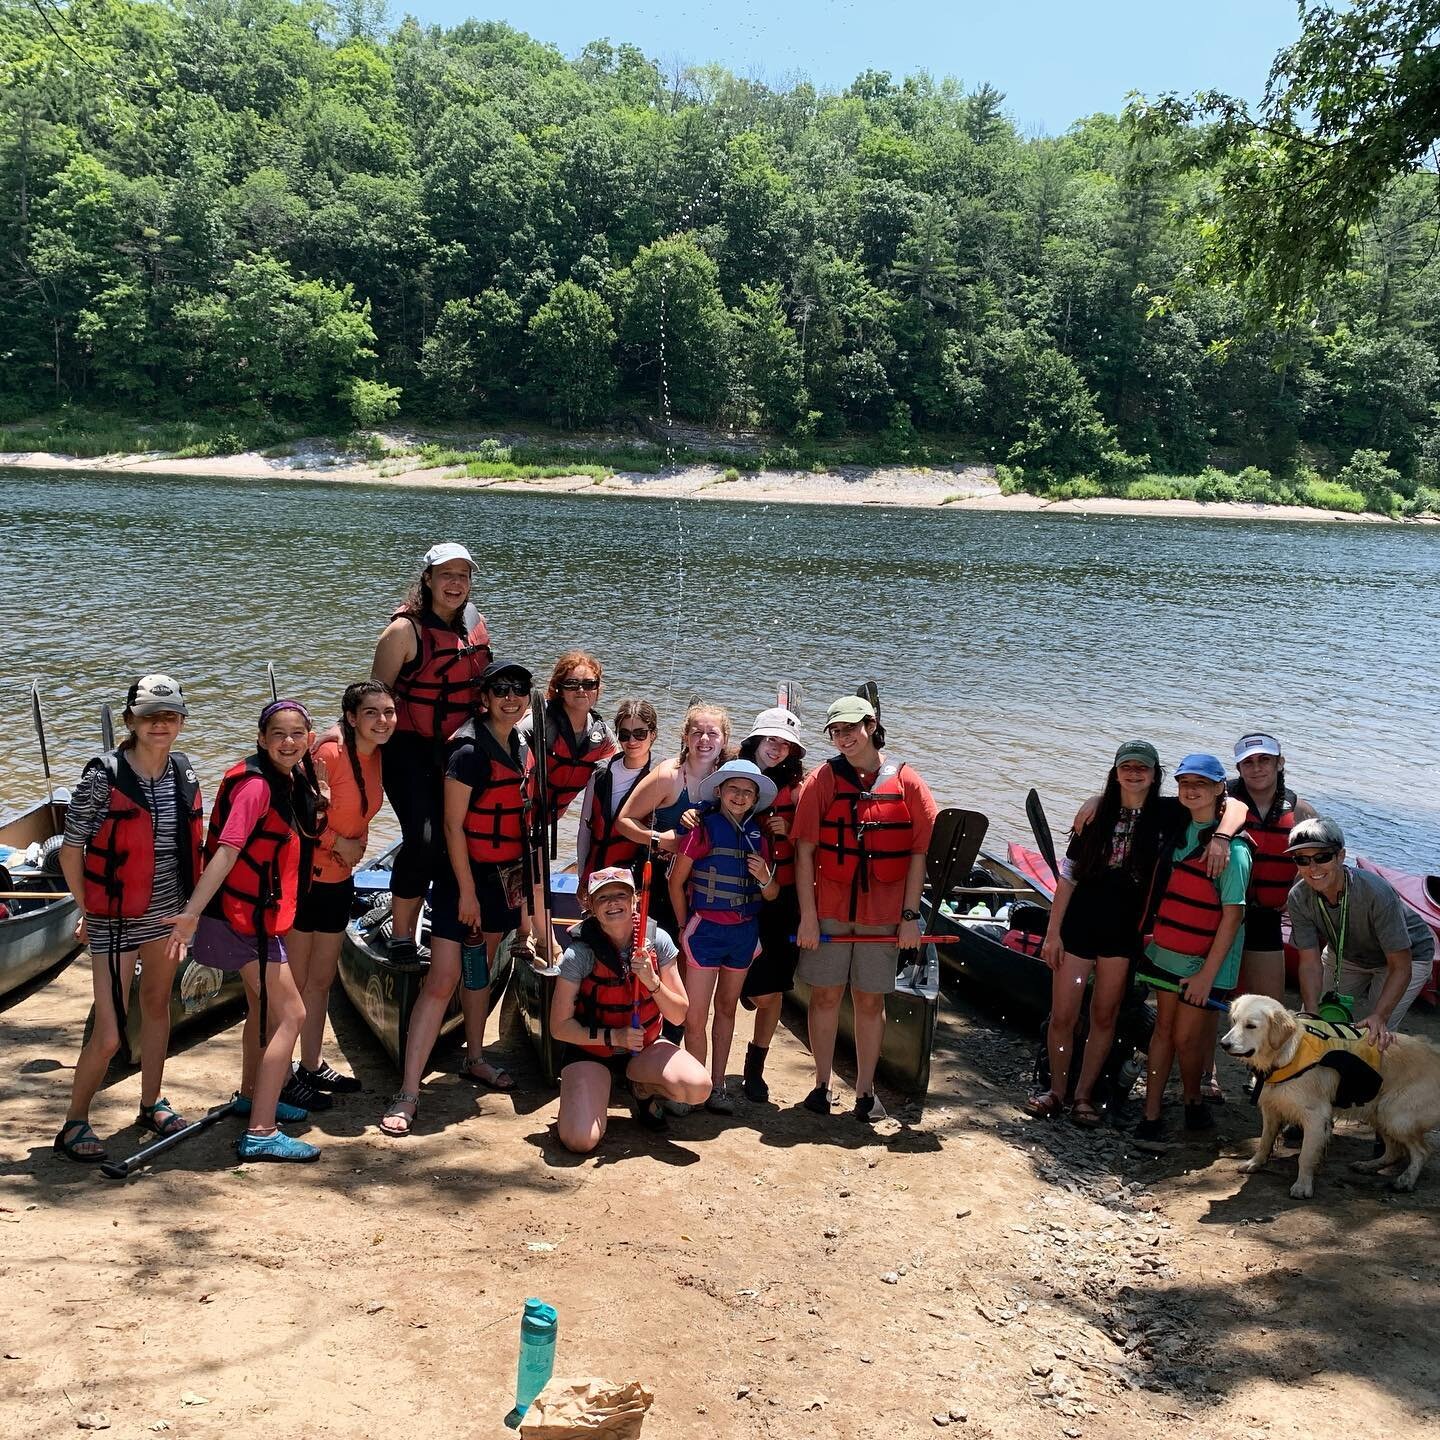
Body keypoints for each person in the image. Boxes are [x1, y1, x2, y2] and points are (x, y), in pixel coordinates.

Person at [165, 700, 325, 1163]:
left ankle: (251, 1094)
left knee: (261, 1008)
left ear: (309, 739)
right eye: (278, 734)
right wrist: (192, 912)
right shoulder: (256, 787)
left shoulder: (289, 777)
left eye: (298, 734)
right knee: (292, 1015)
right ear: (261, 739)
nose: (289, 742)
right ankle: (261, 1129)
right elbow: (226, 853)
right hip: (242, 919)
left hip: (250, 915)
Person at [53, 676, 203, 1163]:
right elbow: (70, 850)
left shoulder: (183, 771)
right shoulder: (105, 775)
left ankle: (150, 1102)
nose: (161, 724)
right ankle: (75, 1121)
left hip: (166, 918)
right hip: (113, 921)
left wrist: (190, 915)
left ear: (181, 721)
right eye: (149, 716)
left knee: (158, 1008)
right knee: (112, 1032)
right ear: (130, 721)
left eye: (170, 715)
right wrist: (87, 908)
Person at [379, 660, 530, 1137]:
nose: (511, 697)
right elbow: (451, 825)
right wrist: (466, 891)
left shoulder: (522, 743)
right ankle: (407, 1092)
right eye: (500, 689)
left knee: (480, 969)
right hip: (463, 878)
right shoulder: (466, 750)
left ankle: (475, 1058)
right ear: (483, 697)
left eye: (519, 689)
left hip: (504, 876)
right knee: (442, 980)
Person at [793, 694, 937, 1122]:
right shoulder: (822, 779)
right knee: (824, 997)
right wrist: (808, 915)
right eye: (836, 731)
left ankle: (864, 1091)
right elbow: (804, 852)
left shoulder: (907, 780)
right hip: (831, 908)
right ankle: (821, 1084)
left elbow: (919, 853)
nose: (843, 737)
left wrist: (911, 917)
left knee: (871, 1003)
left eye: (851, 728)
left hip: (885, 913)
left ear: (871, 725)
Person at [1028, 740, 1168, 1127]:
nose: (1135, 773)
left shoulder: (1166, 817)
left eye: (1143, 767)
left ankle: (1084, 1095)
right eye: (1127, 767)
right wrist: (1052, 933)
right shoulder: (1096, 815)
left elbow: (1217, 806)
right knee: (1063, 1016)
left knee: (1104, 1016)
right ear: (1116, 771)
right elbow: (1069, 877)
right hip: (1079, 927)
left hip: (1122, 934)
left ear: (1155, 775)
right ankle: (1055, 1091)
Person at [371, 543, 491, 961]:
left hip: (458, 751)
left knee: (456, 840)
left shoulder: (474, 623)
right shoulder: (403, 632)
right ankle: (402, 935)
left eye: (463, 575)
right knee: (422, 839)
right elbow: (374, 705)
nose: (455, 583)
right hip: (408, 750)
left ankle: (448, 927)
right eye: (446, 575)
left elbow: (488, 693)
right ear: (427, 579)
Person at [283, 681, 397, 1110]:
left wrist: (356, 843)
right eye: (371, 713)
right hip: (309, 877)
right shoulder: (329, 753)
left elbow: (361, 810)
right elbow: (299, 810)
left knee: (321, 979)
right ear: (352, 717)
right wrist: (337, 842)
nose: (382, 720)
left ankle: (310, 1065)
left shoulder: (376, 755)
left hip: (339, 878)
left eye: (388, 712)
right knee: (295, 981)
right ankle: (285, 1071)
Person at [1134, 753, 1253, 1142]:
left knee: (1187, 1039)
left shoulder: (1233, 851)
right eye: (1185, 782)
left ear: (1221, 788)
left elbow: (1232, 918)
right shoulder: (1177, 826)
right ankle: (1151, 1114)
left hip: (1203, 962)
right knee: (1163, 1032)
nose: (1190, 789)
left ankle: (1192, 1101)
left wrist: (1207, 976)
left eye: (1201, 783)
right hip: (1167, 952)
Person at [550, 867, 711, 1152]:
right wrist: (614, 1037)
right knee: (579, 1141)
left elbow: (679, 1015)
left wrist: (653, 982)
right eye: (603, 898)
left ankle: (642, 1088)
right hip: (592, 1050)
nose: (613, 903)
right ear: (590, 906)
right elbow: (559, 1027)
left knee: (698, 1087)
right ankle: (589, 1096)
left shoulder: (658, 940)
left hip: (644, 1047)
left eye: (620, 895)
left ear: (635, 900)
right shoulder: (579, 953)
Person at [668, 759, 780, 1114]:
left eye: (748, 791)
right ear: (719, 791)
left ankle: (717, 1086)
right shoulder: (702, 829)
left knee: (728, 1009)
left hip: (743, 935)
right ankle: (693, 1085)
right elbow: (675, 882)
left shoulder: (760, 837)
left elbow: (773, 894)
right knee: (695, 1015)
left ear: (755, 798)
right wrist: (685, 925)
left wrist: (764, 877)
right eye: (734, 788)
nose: (740, 795)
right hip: (705, 933)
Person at [1287, 816, 1435, 1049]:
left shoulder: (1376, 893)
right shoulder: (1298, 897)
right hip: (1346, 952)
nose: (1312, 868)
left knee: (1373, 1036)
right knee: (1311, 1024)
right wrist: (1312, 1014)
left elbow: (1401, 966)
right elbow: (1309, 963)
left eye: (1322, 857)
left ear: (1341, 856)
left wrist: (1380, 1016)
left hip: (1406, 956)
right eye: (1302, 860)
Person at [616, 702, 731, 949]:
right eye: (697, 732)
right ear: (685, 736)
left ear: (724, 739)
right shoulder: (669, 775)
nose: (704, 740)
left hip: (703, 882)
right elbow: (624, 821)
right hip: (659, 879)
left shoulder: (728, 777)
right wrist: (658, 839)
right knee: (656, 950)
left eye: (712, 733)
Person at [736, 707, 806, 1103]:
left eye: (785, 744)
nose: (776, 749)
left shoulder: (801, 788)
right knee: (730, 984)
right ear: (756, 741)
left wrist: (791, 833)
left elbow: (813, 847)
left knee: (773, 989)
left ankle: (755, 1069)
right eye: (770, 740)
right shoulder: (733, 773)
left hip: (781, 899)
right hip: (734, 894)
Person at [533, 651, 615, 841]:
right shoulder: (539, 723)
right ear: (558, 688)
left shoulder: (601, 735)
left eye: (589, 684)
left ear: (597, 689)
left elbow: (625, 766)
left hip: (547, 820)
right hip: (518, 815)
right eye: (571, 684)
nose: (581, 690)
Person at [576, 699, 657, 887]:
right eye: (625, 734)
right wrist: (582, 877)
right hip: (598, 873)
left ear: (652, 734)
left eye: (640, 734)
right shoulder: (600, 772)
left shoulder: (662, 775)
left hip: (637, 878)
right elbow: (584, 830)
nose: (631, 741)